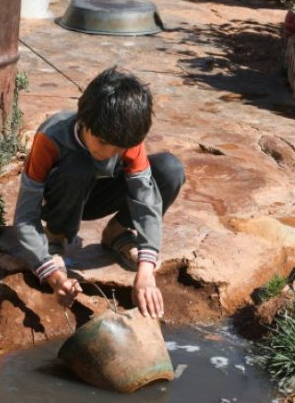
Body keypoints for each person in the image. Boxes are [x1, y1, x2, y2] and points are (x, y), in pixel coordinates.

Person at [13, 67, 185, 319]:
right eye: (103, 142)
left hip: (101, 195)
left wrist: (146, 273)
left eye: (119, 147)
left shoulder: (127, 136)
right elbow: (25, 217)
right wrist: (53, 274)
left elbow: (145, 200)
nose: (108, 152)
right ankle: (56, 237)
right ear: (84, 120)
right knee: (78, 164)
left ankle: (117, 233)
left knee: (170, 170)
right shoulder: (51, 138)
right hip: (65, 194)